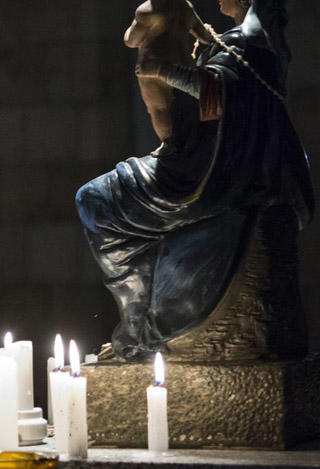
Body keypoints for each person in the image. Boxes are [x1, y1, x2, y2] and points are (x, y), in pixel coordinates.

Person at [76, 0, 314, 361]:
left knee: (95, 201)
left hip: (212, 172)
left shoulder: (252, 43)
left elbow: (221, 93)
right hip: (210, 159)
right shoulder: (245, 41)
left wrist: (163, 70)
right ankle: (140, 325)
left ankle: (137, 328)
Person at [124, 0, 210, 155]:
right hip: (183, 65)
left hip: (153, 67)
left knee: (159, 107)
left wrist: (130, 30)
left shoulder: (147, 11)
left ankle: (169, 144)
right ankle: (187, 143)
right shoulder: (185, 6)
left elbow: (131, 41)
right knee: (185, 104)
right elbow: (204, 35)